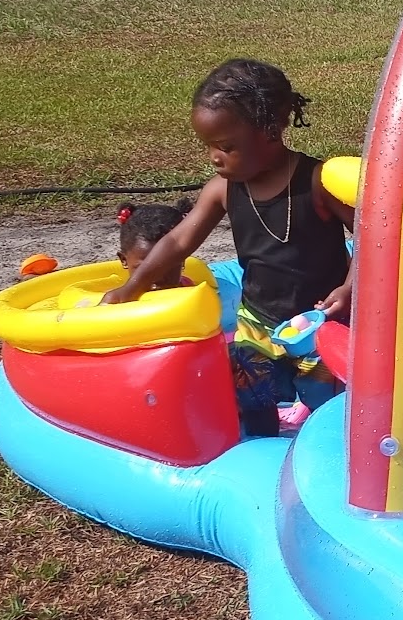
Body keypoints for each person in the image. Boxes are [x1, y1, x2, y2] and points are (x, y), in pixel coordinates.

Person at [105, 60, 353, 437]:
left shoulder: (316, 183)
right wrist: (132, 286)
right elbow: (178, 240)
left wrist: (350, 288)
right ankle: (261, 451)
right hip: (256, 319)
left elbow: (371, 234)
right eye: (208, 146)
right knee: (251, 396)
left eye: (226, 146)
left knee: (329, 402)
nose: (214, 157)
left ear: (270, 131)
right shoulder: (222, 189)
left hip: (321, 322)